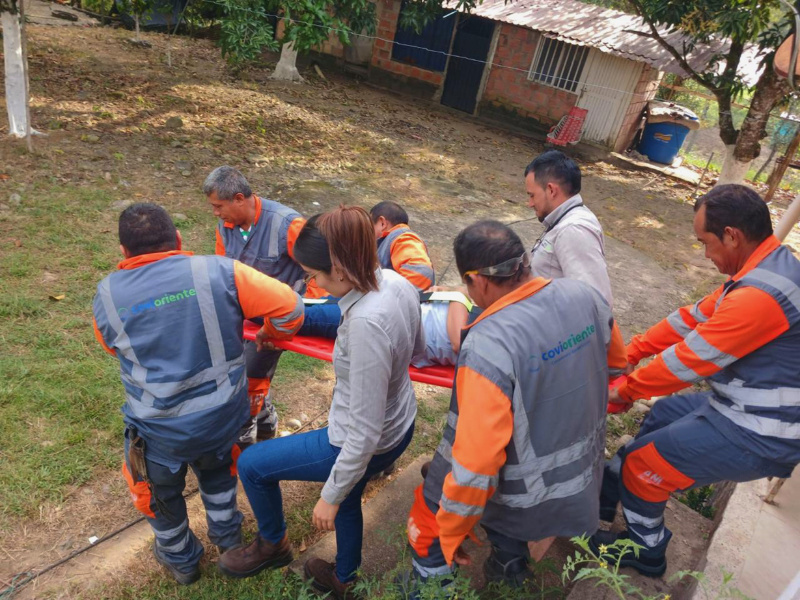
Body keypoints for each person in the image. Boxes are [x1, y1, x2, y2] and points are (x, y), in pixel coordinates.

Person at [405, 220, 627, 591]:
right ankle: (508, 561)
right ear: (524, 262)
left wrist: (452, 529)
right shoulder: (584, 295)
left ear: (478, 281)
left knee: (427, 523)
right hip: (584, 479)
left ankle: (430, 588)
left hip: (527, 497)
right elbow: (617, 363)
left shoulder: (488, 344)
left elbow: (478, 464)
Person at [594, 184, 800, 577]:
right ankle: (611, 489)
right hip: (743, 405)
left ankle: (646, 548)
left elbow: (688, 362)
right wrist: (629, 354)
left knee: (643, 465)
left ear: (731, 236)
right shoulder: (767, 268)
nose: (705, 255)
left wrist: (624, 390)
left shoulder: (759, 296)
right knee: (664, 415)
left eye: (706, 243)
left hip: (762, 431)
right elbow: (689, 318)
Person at [92, 203, 304, 585]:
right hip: (221, 421)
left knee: (158, 492)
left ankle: (182, 561)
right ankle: (229, 542)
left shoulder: (106, 296)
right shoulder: (222, 271)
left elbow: (112, 348)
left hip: (158, 432)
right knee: (219, 476)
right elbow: (291, 307)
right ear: (177, 239)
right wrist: (270, 336)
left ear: (123, 251)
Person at [218, 206, 423, 599]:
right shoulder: (397, 283)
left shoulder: (364, 325)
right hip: (402, 422)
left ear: (340, 269)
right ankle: (344, 578)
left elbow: (362, 435)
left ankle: (273, 544)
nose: (313, 284)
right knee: (350, 491)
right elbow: (417, 348)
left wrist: (329, 496)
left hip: (365, 441)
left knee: (252, 465)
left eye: (313, 276)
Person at [205, 165, 307, 446]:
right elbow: (223, 271)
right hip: (241, 318)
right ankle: (265, 423)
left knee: (251, 375)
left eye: (218, 206)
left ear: (239, 198)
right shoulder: (225, 226)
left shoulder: (288, 225)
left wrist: (308, 311)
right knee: (231, 370)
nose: (215, 213)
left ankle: (246, 437)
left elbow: (323, 268)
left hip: (278, 320)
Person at [525, 150, 613, 307]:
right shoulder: (563, 219)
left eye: (532, 195)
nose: (530, 203)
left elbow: (594, 303)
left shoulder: (574, 230)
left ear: (551, 190)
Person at [371, 201, 436, 291]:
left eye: (370, 226)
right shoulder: (392, 240)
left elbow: (422, 271)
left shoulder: (402, 238)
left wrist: (388, 295)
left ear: (382, 223)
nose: (368, 232)